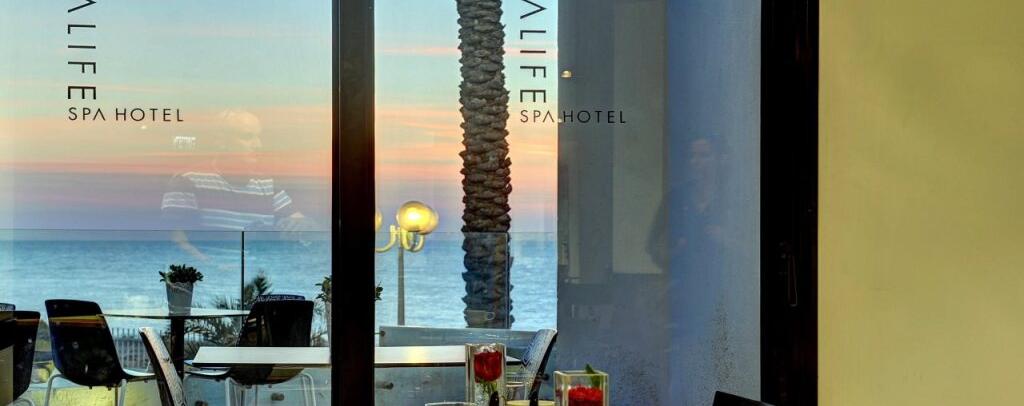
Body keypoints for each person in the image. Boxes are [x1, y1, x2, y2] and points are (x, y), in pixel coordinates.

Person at [161, 109, 314, 260]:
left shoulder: (267, 184)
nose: (258, 144)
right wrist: (214, 268)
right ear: (221, 141)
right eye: (247, 137)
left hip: (259, 273)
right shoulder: (187, 180)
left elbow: (301, 223)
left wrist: (301, 225)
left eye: (259, 137)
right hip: (209, 275)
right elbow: (175, 242)